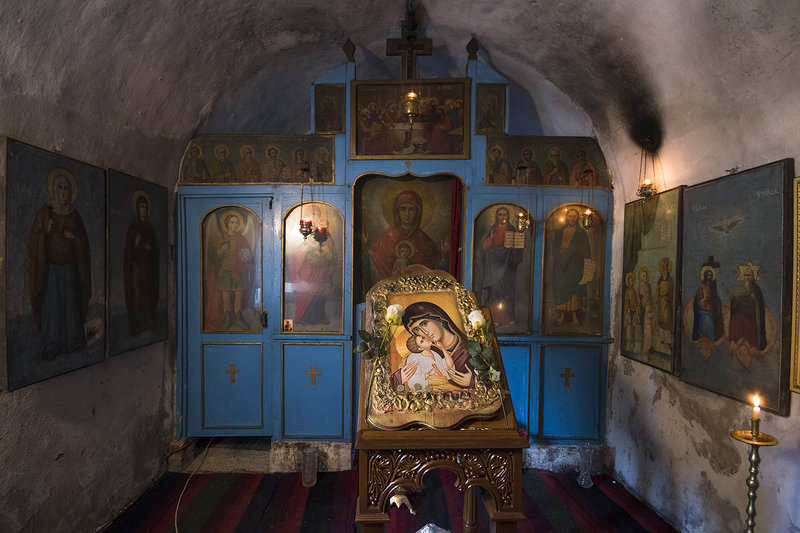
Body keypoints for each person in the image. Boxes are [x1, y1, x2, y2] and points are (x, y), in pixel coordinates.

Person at [28, 169, 91, 359]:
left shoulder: (74, 215)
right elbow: (33, 240)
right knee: (52, 305)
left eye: (66, 188)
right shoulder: (45, 212)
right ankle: (52, 344)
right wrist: (45, 231)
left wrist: (74, 238)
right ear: (54, 190)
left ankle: (74, 341)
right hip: (51, 269)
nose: (63, 192)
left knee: (71, 304)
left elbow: (83, 242)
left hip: (70, 268)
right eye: (60, 188)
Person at [368, 190, 448, 281]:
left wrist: (444, 255)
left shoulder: (424, 240)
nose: (407, 214)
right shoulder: (386, 237)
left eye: (411, 209)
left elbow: (435, 268)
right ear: (397, 212)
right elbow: (373, 257)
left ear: (417, 212)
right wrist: (363, 250)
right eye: (403, 209)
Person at [392, 301, 474, 388]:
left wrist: (473, 380)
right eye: (416, 330)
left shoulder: (470, 346)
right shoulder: (428, 353)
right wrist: (398, 379)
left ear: (439, 320)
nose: (425, 332)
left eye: (424, 324)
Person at [207, 211, 254, 331]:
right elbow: (213, 257)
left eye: (237, 223)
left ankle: (238, 319)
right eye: (232, 222)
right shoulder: (221, 238)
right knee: (226, 298)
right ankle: (228, 320)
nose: (235, 225)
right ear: (227, 224)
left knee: (238, 297)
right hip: (225, 272)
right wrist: (221, 251)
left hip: (239, 272)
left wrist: (245, 258)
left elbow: (248, 256)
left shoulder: (242, 239)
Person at [290, 207, 336, 327]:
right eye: (311, 213)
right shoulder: (303, 232)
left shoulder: (323, 232)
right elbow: (295, 251)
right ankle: (302, 316)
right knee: (304, 292)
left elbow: (330, 248)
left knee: (319, 293)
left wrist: (326, 250)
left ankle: (319, 316)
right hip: (305, 269)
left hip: (320, 269)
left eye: (317, 214)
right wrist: (305, 250)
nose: (314, 216)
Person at [479, 206, 523, 325]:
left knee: (506, 291)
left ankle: (507, 318)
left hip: (507, 265)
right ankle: (495, 318)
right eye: (500, 214)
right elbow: (483, 248)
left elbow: (518, 248)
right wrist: (491, 239)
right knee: (494, 291)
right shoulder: (492, 229)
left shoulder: (512, 229)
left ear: (508, 216)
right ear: (496, 216)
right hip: (493, 266)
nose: (502, 217)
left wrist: (514, 249)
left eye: (504, 214)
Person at [123, 191, 159, 336]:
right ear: (137, 209)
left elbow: (155, 250)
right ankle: (138, 323)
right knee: (138, 295)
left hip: (148, 269)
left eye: (145, 207)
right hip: (137, 269)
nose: (144, 210)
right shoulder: (133, 227)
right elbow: (129, 251)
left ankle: (149, 321)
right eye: (142, 207)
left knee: (148, 294)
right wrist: (136, 244)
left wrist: (151, 250)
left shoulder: (149, 227)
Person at [549, 207, 591, 326]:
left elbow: (585, 249)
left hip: (574, 264)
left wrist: (574, 252)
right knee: (561, 288)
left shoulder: (581, 233)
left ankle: (574, 316)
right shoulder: (560, 232)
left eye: (574, 216)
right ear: (567, 217)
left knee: (573, 289)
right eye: (570, 216)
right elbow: (553, 245)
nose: (572, 218)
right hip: (561, 265)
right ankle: (562, 316)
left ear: (577, 218)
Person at [726, 264, 766, 350]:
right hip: (738, 316)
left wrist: (753, 298)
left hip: (750, 316)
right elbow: (735, 304)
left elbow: (758, 303)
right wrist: (732, 299)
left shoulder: (756, 289)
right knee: (735, 320)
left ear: (753, 277)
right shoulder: (739, 290)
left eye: (749, 275)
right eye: (745, 275)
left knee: (747, 325)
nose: (747, 277)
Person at [692, 265, 723, 343]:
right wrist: (704, 301)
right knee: (706, 322)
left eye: (710, 275)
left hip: (711, 311)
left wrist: (718, 303)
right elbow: (698, 300)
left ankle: (711, 342)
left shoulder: (713, 287)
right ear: (705, 276)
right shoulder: (702, 286)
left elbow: (716, 298)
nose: (709, 277)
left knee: (711, 327)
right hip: (703, 311)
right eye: (708, 275)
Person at [655, 257, 674, 346]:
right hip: (661, 302)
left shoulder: (670, 280)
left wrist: (669, 299)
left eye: (665, 270)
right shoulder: (660, 280)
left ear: (667, 270)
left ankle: (668, 340)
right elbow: (657, 290)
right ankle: (662, 338)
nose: (664, 272)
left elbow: (671, 290)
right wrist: (656, 299)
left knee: (667, 320)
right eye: (663, 270)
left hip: (666, 302)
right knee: (661, 320)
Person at [637, 266, 654, 353]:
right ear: (640, 276)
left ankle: (646, 347)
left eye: (646, 276)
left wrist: (642, 300)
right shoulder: (639, 285)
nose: (645, 277)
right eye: (643, 276)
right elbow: (637, 296)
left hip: (646, 306)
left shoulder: (648, 286)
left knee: (646, 325)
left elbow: (648, 296)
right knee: (640, 325)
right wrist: (639, 302)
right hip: (641, 306)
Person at [623, 272, 640, 351]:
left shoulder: (634, 291)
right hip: (629, 311)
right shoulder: (627, 291)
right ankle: (628, 346)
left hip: (634, 311)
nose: (631, 282)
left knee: (634, 328)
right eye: (630, 281)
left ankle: (634, 346)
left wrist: (636, 310)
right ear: (628, 282)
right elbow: (626, 301)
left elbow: (636, 302)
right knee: (629, 328)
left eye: (632, 281)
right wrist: (628, 308)